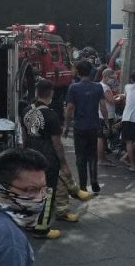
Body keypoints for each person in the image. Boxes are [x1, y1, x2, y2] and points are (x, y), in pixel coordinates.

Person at [22, 79, 90, 240]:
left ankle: (31, 222)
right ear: (51, 93)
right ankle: (42, 229)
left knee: (32, 192)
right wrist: (64, 164)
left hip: (31, 157)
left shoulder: (26, 110)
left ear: (37, 92)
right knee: (47, 194)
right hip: (48, 159)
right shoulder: (51, 115)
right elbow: (57, 144)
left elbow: (24, 135)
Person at [64, 59, 106, 193]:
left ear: (78, 72)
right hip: (94, 125)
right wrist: (107, 122)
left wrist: (66, 126)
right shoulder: (98, 87)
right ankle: (94, 182)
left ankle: (82, 185)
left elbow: (69, 108)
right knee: (92, 155)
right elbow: (103, 106)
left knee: (80, 157)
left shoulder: (74, 88)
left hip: (80, 126)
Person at [97, 69, 119, 166]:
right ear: (105, 77)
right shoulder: (105, 87)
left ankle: (102, 158)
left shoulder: (100, 85)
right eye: (112, 78)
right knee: (102, 138)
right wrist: (120, 98)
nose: (113, 80)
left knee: (102, 137)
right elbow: (111, 101)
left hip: (101, 114)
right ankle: (101, 159)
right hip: (105, 115)